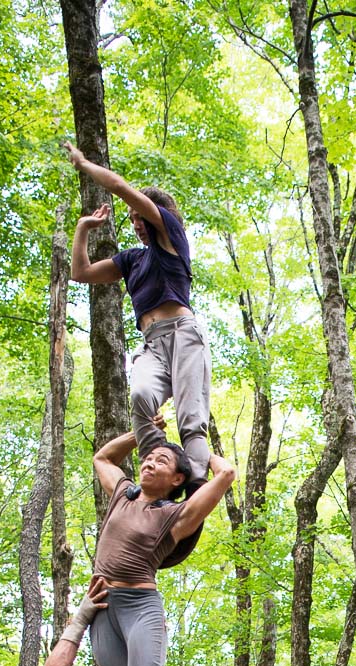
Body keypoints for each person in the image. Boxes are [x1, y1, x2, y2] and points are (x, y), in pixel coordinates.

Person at [89, 428, 234, 666]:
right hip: (102, 609)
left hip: (140, 606)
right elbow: (102, 458)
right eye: (148, 459)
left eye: (162, 461)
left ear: (178, 478)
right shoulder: (123, 495)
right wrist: (140, 435)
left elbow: (227, 475)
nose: (150, 463)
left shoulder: (177, 515)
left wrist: (194, 446)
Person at [64, 141, 211, 485]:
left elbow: (120, 188)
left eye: (139, 216)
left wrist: (84, 163)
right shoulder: (132, 260)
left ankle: (196, 490)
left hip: (183, 335)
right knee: (142, 397)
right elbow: (81, 273)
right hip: (152, 344)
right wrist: (83, 227)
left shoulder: (170, 237)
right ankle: (160, 483)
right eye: (130, 220)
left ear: (156, 215)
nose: (136, 224)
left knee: (191, 419)